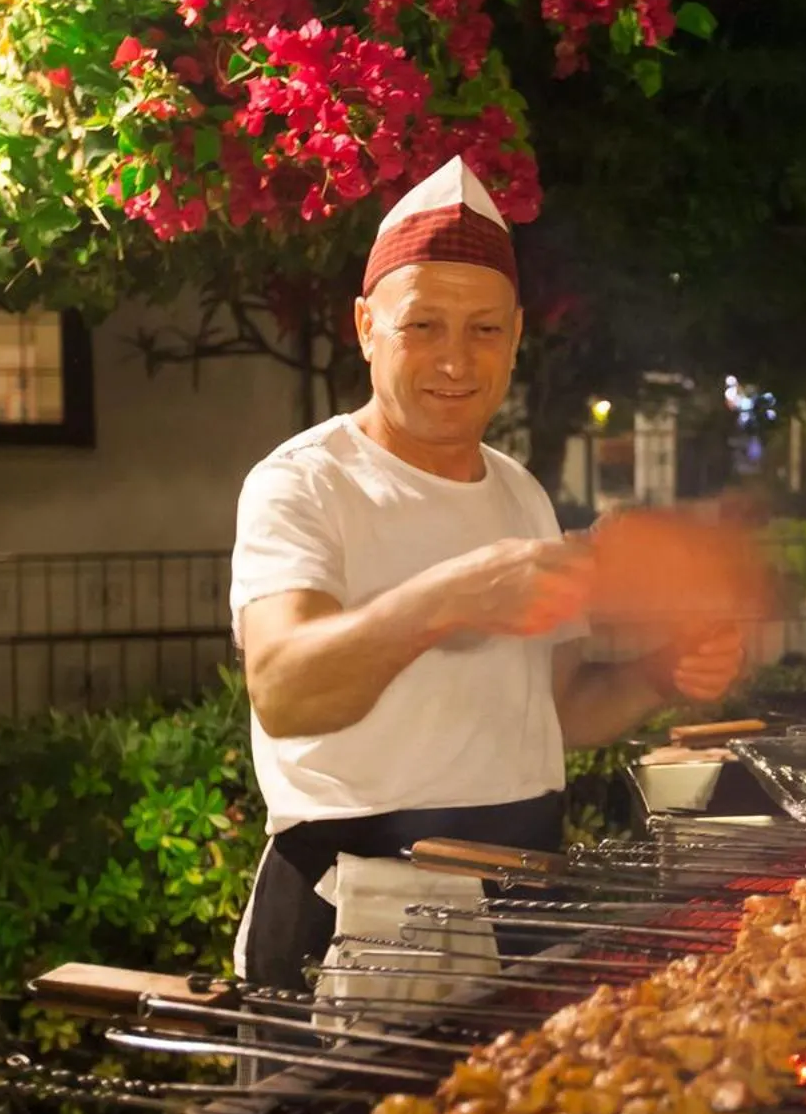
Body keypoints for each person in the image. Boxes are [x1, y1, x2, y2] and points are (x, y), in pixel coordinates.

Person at [228, 156, 746, 992]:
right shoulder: (305, 481)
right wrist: (452, 596)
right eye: (422, 326)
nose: (456, 360)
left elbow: (557, 709)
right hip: (358, 912)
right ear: (365, 327)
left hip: (524, 895)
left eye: (484, 329)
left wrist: (662, 671)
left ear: (514, 337)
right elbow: (285, 689)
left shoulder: (519, 492)